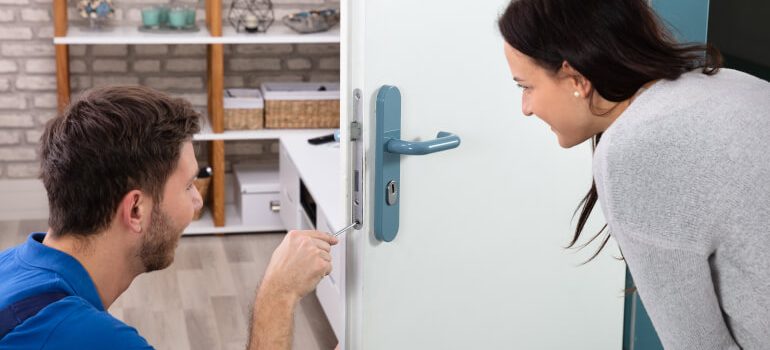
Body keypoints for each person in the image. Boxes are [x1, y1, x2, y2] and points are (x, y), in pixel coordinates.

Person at [498, 0, 769, 349]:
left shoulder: (636, 147)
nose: (525, 108)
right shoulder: (725, 82)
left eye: (526, 86)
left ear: (575, 78)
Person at [0, 86, 338, 349]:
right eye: (188, 185)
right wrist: (278, 294)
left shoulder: (11, 269)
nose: (197, 201)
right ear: (136, 209)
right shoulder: (91, 339)